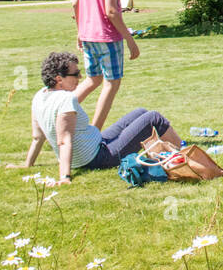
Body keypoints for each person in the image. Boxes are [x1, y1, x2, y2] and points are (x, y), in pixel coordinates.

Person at [22, 50, 183, 183]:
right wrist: (65, 177)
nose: (80, 78)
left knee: (140, 112)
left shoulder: (39, 96)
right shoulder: (65, 99)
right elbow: (64, 140)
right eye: (75, 74)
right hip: (99, 158)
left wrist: (28, 164)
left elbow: (37, 137)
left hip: (97, 144)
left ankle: (171, 151)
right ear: (59, 79)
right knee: (153, 118)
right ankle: (183, 154)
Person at [72, 0, 139, 130]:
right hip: (107, 37)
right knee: (112, 82)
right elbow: (111, 11)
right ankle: (95, 132)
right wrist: (130, 40)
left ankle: (57, 111)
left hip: (88, 35)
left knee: (93, 79)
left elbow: (76, 3)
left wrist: (80, 31)